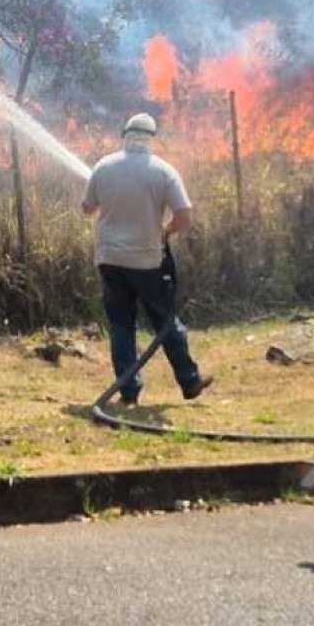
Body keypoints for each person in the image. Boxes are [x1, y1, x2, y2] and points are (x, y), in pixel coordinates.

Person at [81, 112, 211, 406]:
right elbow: (184, 216)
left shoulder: (103, 166)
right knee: (165, 322)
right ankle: (190, 381)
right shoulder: (163, 171)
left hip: (110, 260)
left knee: (121, 325)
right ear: (151, 138)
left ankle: (128, 392)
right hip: (147, 261)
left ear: (125, 134)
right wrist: (166, 232)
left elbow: (86, 208)